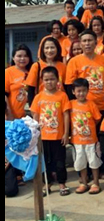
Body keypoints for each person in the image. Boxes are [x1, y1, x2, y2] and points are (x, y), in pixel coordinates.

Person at [30, 66, 71, 196]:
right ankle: (46, 184)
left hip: (58, 136)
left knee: (60, 161)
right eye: (46, 79)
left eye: (52, 79)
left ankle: (62, 183)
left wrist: (66, 133)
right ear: (42, 80)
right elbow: (35, 116)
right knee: (44, 162)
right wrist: (35, 134)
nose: (49, 82)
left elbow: (66, 115)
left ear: (57, 80)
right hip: (43, 137)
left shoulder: (62, 96)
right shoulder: (38, 97)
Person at [69, 78, 103, 195]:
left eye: (84, 91)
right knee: (80, 162)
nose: (81, 93)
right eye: (78, 91)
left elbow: (97, 119)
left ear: (88, 91)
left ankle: (96, 183)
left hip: (91, 140)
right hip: (77, 141)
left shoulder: (91, 104)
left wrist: (88, 128)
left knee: (93, 161)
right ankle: (83, 183)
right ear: (73, 91)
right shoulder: (71, 104)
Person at [65, 30, 104, 117]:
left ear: (96, 43)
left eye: (90, 40)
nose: (87, 43)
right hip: (82, 107)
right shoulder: (74, 61)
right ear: (80, 44)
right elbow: (70, 86)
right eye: (84, 41)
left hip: (102, 106)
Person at [26, 37, 67, 106]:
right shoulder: (36, 66)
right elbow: (31, 89)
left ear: (57, 49)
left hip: (59, 103)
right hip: (42, 103)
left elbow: (66, 86)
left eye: (52, 47)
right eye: (47, 48)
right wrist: (31, 107)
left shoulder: (63, 66)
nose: (49, 50)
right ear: (42, 50)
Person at [5, 45, 33, 119]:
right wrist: (9, 113)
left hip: (32, 116)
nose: (22, 58)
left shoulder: (33, 71)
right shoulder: (8, 72)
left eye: (26, 56)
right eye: (19, 56)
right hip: (13, 116)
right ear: (13, 58)